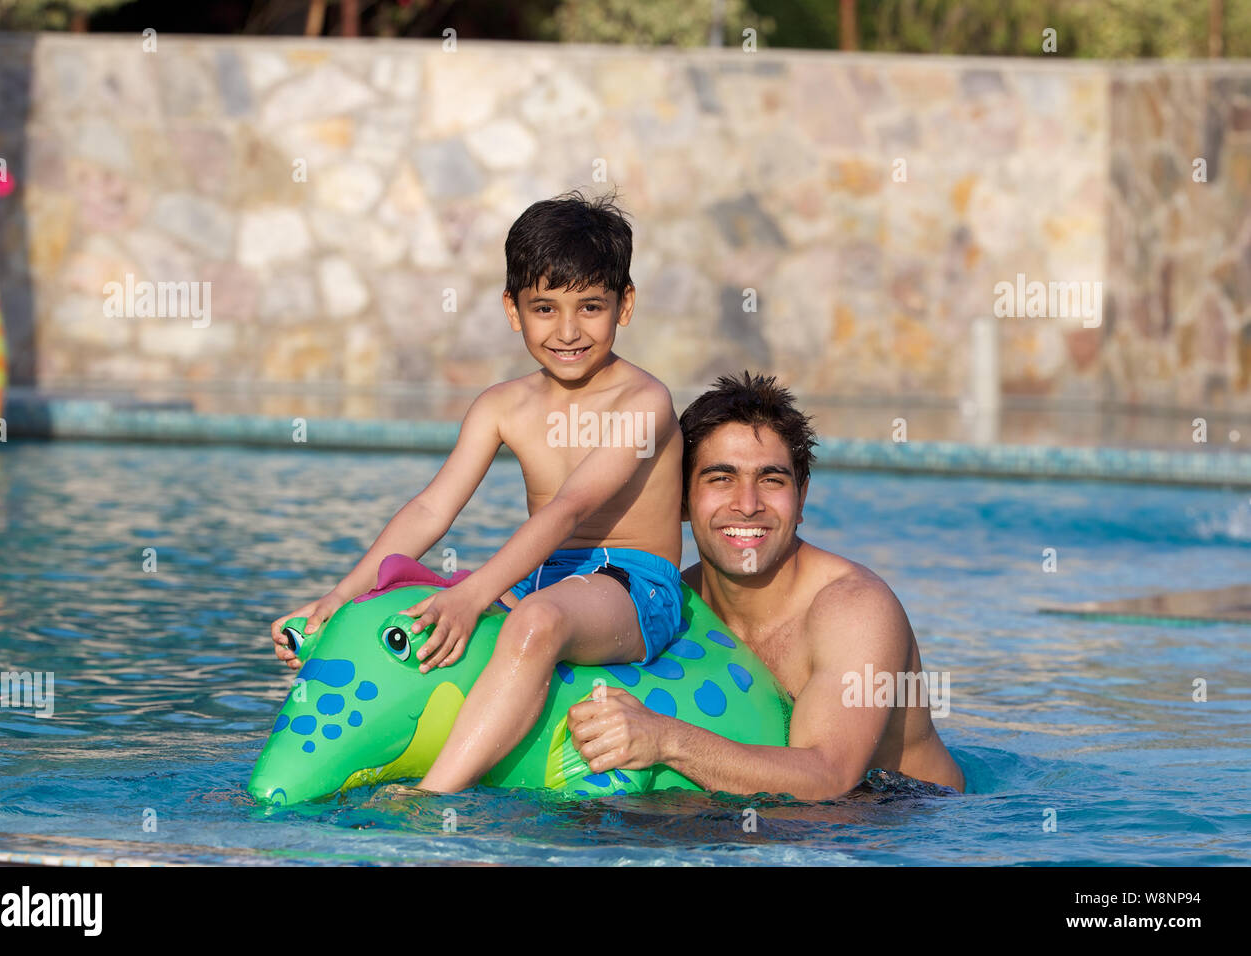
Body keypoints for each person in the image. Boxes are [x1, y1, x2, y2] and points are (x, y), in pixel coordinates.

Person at [270, 189, 684, 793]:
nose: (568, 331)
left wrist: (476, 593)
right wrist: (340, 598)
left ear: (625, 306)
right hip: (538, 575)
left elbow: (570, 509)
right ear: (513, 311)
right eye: (545, 308)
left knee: (537, 619)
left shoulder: (644, 402)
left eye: (590, 307)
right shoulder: (502, 405)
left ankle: (433, 796)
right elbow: (432, 507)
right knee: (394, 606)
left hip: (630, 582)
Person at [566, 371, 966, 798]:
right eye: (721, 478)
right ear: (680, 499)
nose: (748, 504)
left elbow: (828, 777)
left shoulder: (855, 609)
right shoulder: (668, 606)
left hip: (904, 822)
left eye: (771, 480)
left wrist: (664, 740)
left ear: (801, 499)